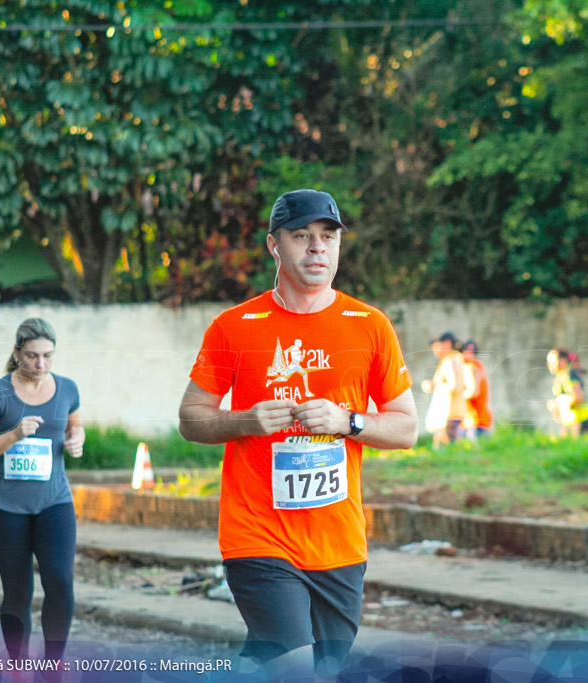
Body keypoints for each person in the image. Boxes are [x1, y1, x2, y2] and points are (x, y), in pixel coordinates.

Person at [177, 189, 418, 678]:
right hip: (257, 534)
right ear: (274, 245)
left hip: (338, 541)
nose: (317, 249)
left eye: (328, 238)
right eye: (301, 237)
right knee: (296, 666)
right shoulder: (234, 327)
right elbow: (191, 418)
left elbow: (406, 426)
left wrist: (347, 422)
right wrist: (246, 419)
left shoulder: (369, 326)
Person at [0, 318, 85, 664]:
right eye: (32, 356)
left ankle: (52, 668)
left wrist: (77, 441)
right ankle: (18, 667)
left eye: (48, 356)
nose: (40, 364)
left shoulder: (67, 388)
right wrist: (15, 434)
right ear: (17, 353)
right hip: (5, 507)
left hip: (54, 503)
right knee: (18, 591)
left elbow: (76, 427)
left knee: (60, 583)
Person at [421, 331, 472, 446]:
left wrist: (434, 385)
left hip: (450, 413)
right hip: (453, 413)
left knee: (447, 447)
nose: (435, 349)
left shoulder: (451, 359)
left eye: (436, 346)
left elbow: (456, 386)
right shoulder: (454, 358)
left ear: (447, 344)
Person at [545, 347, 588, 437]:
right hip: (571, 420)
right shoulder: (562, 375)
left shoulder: (569, 375)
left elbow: (578, 398)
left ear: (563, 361)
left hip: (580, 419)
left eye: (552, 361)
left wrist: (559, 405)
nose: (549, 364)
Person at [461, 340, 493, 439]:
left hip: (473, 420)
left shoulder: (472, 367)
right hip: (480, 419)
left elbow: (474, 392)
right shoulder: (478, 366)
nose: (468, 355)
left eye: (471, 352)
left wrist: (459, 397)